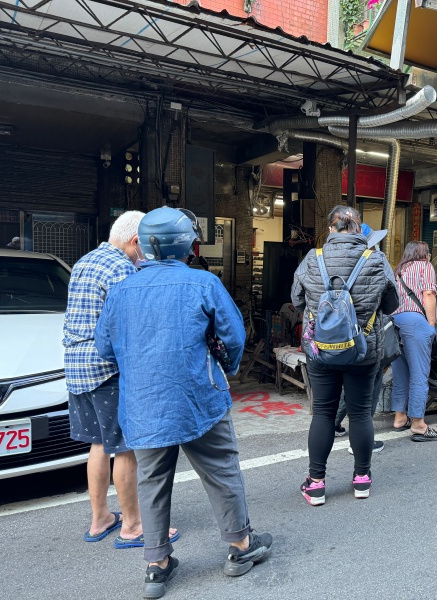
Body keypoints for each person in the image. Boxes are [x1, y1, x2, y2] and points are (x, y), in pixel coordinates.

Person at [96, 207, 271, 599]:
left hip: (143, 405)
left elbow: (105, 347)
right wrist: (224, 364)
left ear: (146, 245)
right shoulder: (203, 283)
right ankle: (240, 547)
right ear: (188, 246)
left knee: (153, 481)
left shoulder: (121, 289)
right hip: (199, 399)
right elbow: (234, 337)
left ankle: (156, 565)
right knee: (222, 469)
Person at [63, 211, 176, 548]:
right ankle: (133, 525)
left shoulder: (86, 260)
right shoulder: (121, 269)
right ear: (136, 241)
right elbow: (131, 324)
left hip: (76, 365)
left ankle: (100, 519)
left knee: (99, 444)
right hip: (105, 368)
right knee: (126, 448)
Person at [292, 205, 399, 505]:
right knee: (361, 413)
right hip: (363, 350)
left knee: (324, 413)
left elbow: (296, 300)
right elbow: (392, 304)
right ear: (358, 229)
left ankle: (315, 484)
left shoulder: (312, 259)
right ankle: (361, 480)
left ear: (330, 229)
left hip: (320, 350)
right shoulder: (376, 259)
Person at [334, 223, 391, 453]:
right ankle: (361, 442)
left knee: (346, 384)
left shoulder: (336, 259)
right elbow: (390, 300)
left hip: (339, 334)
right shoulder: (376, 261)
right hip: (368, 335)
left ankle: (332, 424)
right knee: (369, 386)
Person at [391, 240, 437, 441]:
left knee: (401, 372)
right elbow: (428, 293)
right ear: (424, 254)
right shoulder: (425, 266)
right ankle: (419, 424)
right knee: (420, 374)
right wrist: (430, 325)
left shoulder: (399, 270)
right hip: (415, 322)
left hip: (395, 323)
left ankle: (399, 417)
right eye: (428, 252)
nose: (429, 256)